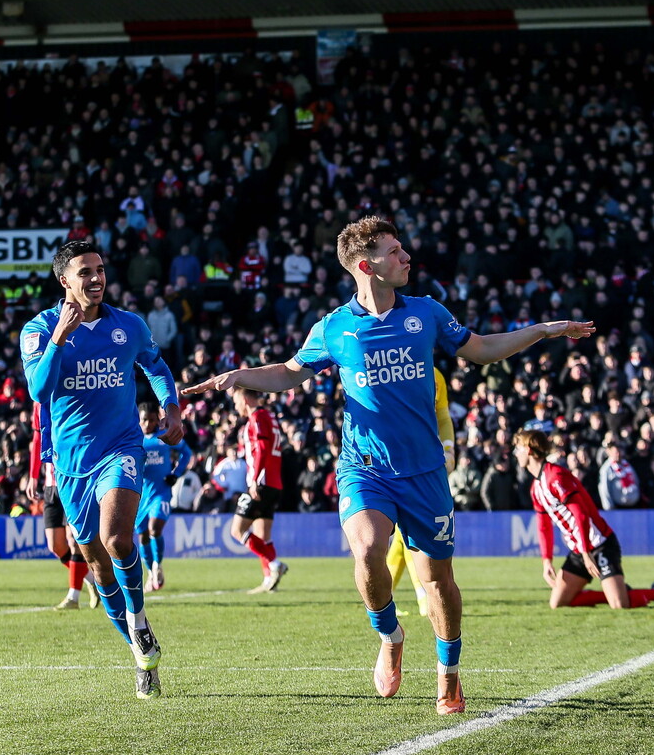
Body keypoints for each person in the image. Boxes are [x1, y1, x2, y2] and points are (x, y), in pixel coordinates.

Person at [183, 216, 594, 715]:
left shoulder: (427, 312)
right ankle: (390, 634)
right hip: (365, 468)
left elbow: (481, 349)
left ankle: (449, 673)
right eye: (394, 251)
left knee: (437, 580)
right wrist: (237, 375)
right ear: (365, 265)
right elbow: (291, 373)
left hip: (424, 473)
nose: (406, 258)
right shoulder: (335, 327)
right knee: (369, 551)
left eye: (403, 249)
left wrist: (544, 331)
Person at [20, 239, 183, 700]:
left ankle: (137, 619)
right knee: (96, 566)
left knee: (117, 539)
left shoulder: (127, 325)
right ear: (63, 280)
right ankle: (140, 650)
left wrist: (169, 407)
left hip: (121, 447)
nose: (96, 278)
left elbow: (155, 364)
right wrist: (60, 338)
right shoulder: (38, 329)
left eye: (99, 269)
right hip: (71, 464)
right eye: (84, 272)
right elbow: (39, 388)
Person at [512, 429, 654, 609]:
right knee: (558, 602)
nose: (516, 454)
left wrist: (586, 553)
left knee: (619, 604)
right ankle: (616, 591)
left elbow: (581, 514)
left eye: (518, 448)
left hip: (600, 544)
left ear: (529, 450)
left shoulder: (555, 476)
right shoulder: (536, 487)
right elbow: (543, 526)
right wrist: (547, 561)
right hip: (580, 549)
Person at [387, 366, 455, 618]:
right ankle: (422, 596)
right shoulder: (394, 370)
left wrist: (449, 449)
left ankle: (384, 597)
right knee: (407, 535)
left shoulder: (437, 375)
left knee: (403, 539)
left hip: (427, 463)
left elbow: (443, 416)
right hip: (396, 465)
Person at [28, 401, 99, 611]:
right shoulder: (38, 402)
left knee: (73, 540)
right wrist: (33, 476)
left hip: (74, 478)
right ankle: (94, 581)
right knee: (55, 545)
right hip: (51, 485)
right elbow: (37, 438)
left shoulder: (72, 391)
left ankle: (73, 597)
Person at [230, 387, 289, 594]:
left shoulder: (257, 417)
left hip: (261, 482)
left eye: (236, 400)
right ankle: (268, 580)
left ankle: (274, 564)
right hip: (274, 482)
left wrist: (254, 480)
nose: (235, 406)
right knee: (262, 535)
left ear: (245, 399)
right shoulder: (269, 417)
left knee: (237, 530)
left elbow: (263, 449)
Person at [137, 401, 192, 592]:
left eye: (152, 420)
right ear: (139, 420)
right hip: (140, 496)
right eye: (144, 420)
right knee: (142, 536)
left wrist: (176, 474)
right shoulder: (134, 439)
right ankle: (151, 574)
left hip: (161, 493)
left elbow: (186, 452)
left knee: (154, 528)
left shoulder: (164, 435)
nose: (148, 424)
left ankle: (157, 565)